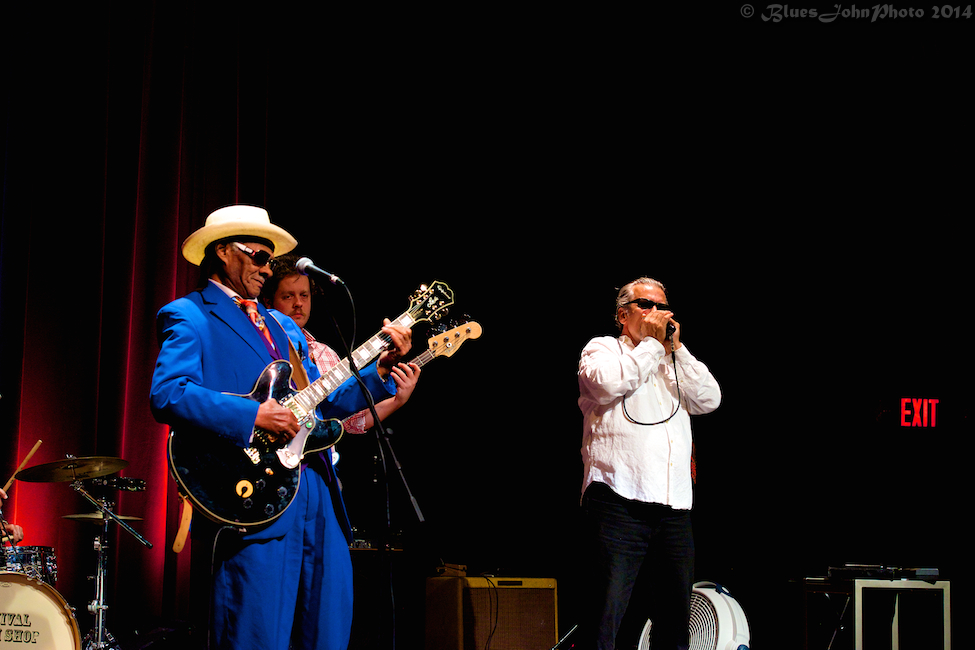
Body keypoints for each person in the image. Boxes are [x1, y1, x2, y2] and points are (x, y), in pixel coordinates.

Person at [150, 205, 412, 650]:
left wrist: (380, 370)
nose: (266, 269)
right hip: (250, 492)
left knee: (327, 630)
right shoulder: (189, 315)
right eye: (257, 256)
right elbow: (168, 393)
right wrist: (253, 414)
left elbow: (327, 400)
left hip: (316, 489)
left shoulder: (282, 324)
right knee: (256, 633)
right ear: (221, 253)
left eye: (269, 260)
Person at [577, 277, 721, 650]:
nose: (658, 313)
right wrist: (653, 348)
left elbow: (710, 399)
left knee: (674, 622)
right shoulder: (604, 349)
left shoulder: (670, 360)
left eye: (663, 305)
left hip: (673, 507)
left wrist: (676, 349)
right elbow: (606, 385)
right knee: (605, 615)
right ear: (623, 315)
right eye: (646, 305)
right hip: (618, 500)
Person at [260, 252, 421, 439]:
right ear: (268, 301)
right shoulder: (262, 339)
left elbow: (350, 421)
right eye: (288, 296)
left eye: (304, 295)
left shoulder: (325, 354)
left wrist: (396, 397)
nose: (298, 303)